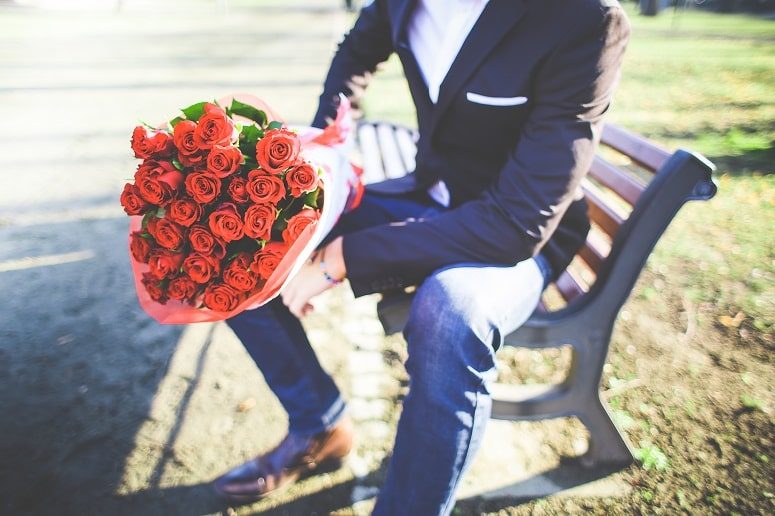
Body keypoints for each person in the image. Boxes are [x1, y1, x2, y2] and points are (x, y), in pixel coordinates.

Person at [213, 0, 630, 513]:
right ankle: (319, 425)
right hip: (431, 191)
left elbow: (516, 225)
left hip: (525, 229)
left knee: (451, 314)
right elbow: (357, 49)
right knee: (238, 241)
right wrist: (327, 140)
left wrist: (341, 255)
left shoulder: (582, 18)